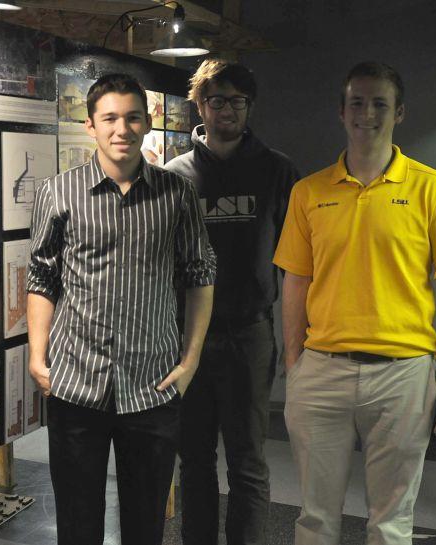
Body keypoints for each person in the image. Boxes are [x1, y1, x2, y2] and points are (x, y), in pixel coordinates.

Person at [273, 61, 436, 545]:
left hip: (403, 374)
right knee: (314, 518)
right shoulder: (310, 192)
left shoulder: (433, 189)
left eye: (379, 103)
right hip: (323, 371)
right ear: (341, 112)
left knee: (390, 522)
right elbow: (295, 280)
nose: (368, 113)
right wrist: (294, 361)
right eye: (357, 103)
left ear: (400, 112)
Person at [27, 73, 216, 545]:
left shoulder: (177, 195)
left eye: (132, 117)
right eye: (109, 117)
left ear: (148, 122)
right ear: (90, 125)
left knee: (145, 522)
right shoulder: (58, 192)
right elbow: (41, 277)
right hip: (76, 382)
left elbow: (200, 275)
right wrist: (36, 356)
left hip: (152, 385)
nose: (122, 129)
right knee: (76, 521)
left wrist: (190, 360)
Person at [164, 59, 299, 545]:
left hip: (251, 333)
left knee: (248, 461)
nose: (227, 110)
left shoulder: (277, 171)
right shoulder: (173, 176)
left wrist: (294, 339)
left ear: (249, 106)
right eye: (216, 100)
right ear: (199, 105)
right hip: (187, 342)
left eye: (237, 101)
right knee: (194, 458)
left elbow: (298, 263)